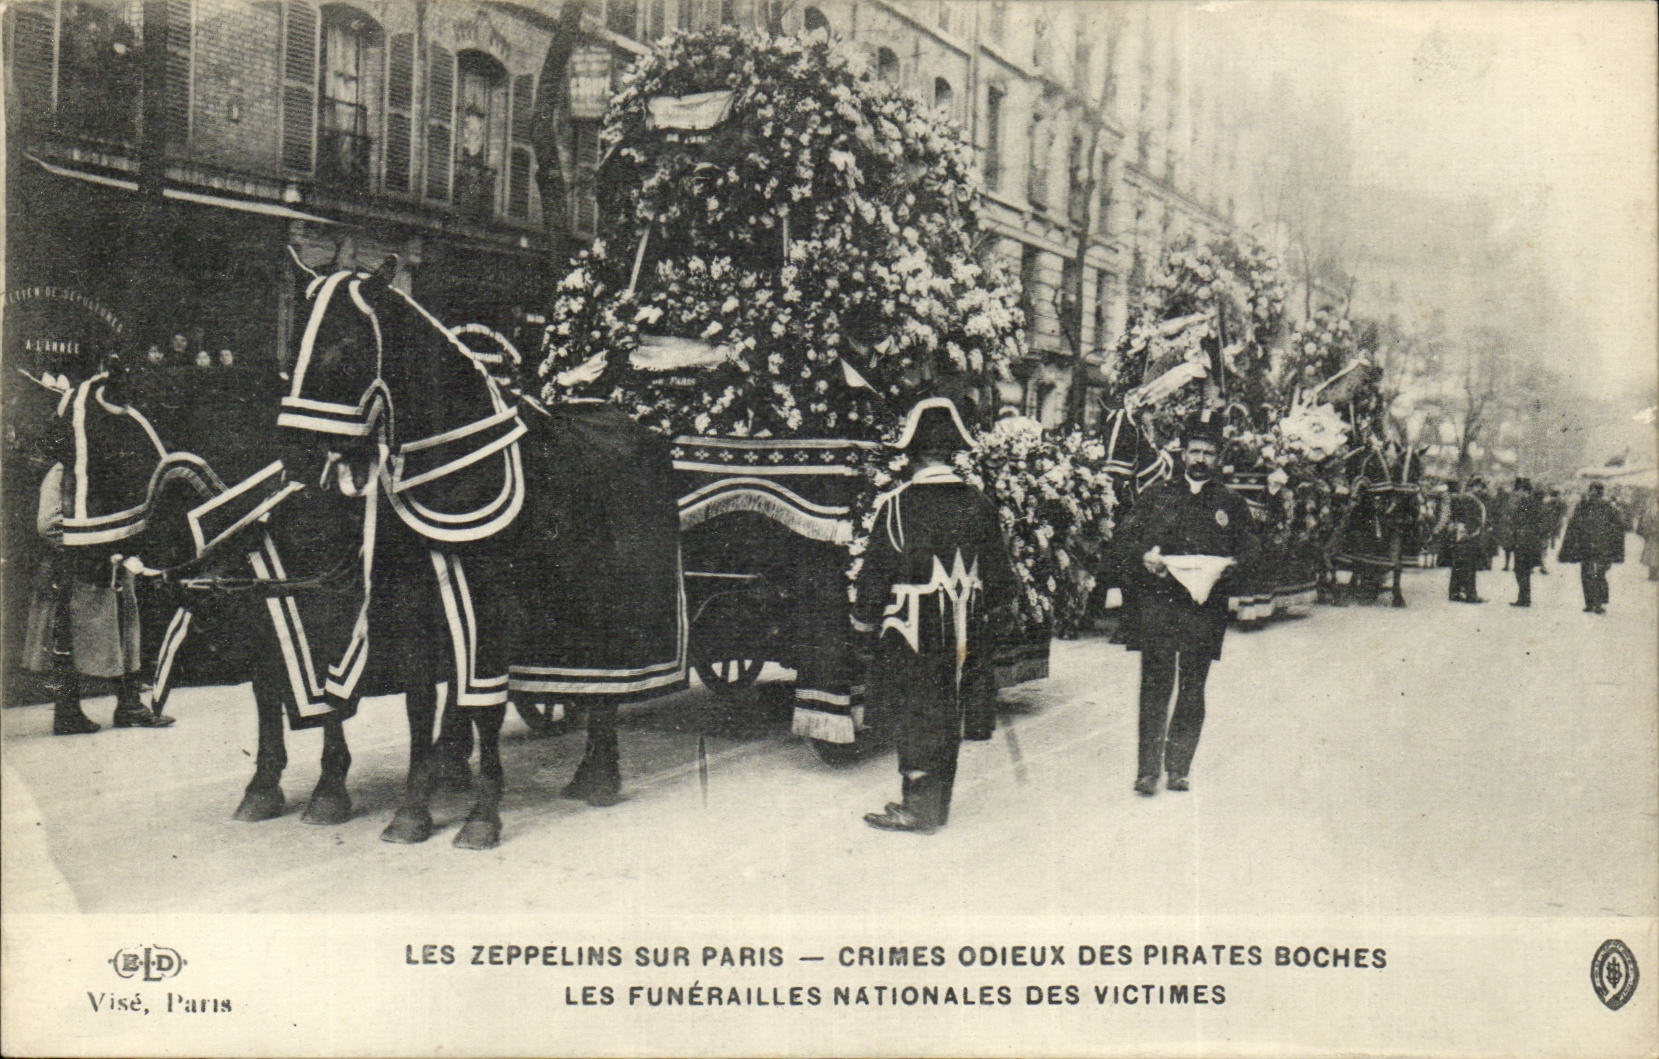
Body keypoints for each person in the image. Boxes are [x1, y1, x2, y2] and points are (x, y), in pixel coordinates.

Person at [855, 397, 1016, 834]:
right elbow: (1001, 574)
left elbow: (875, 573)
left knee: (916, 711)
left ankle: (917, 807)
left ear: (911, 455)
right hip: (967, 626)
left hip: (913, 627)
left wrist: (864, 619)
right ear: (951, 453)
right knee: (949, 708)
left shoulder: (897, 505)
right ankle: (936, 804)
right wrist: (995, 612)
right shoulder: (979, 503)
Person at [1110, 408, 1258, 796]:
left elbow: (1251, 552)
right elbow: (1125, 541)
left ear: (1218, 457)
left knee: (1193, 687)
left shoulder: (1231, 504)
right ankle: (1146, 770)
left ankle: (1178, 767)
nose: (1200, 460)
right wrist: (1145, 557)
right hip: (1159, 604)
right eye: (1194, 451)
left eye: (1208, 453)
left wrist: (1232, 567)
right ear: (1182, 453)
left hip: (1203, 609)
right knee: (1155, 685)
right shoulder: (1156, 496)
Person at [30, 454, 174, 734]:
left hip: (112, 567)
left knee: (126, 634)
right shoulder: (61, 473)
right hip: (76, 570)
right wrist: (87, 545)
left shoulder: (102, 469)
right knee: (66, 642)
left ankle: (129, 705)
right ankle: (68, 712)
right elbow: (47, 524)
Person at [1558, 481, 1626, 614]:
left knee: (1597, 574)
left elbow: (1618, 528)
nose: (1593, 495)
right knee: (1588, 574)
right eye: (1592, 492)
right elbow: (1573, 525)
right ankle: (1592, 603)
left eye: (1596, 492)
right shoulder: (1584, 506)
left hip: (1601, 546)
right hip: (1588, 545)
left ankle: (1598, 602)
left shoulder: (1607, 507)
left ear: (1600, 493)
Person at [1437, 479, 1488, 603]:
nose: (1480, 489)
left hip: (1462, 535)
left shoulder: (1465, 498)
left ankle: (1455, 592)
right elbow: (1470, 519)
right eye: (1478, 486)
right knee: (1469, 566)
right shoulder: (1470, 499)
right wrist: (1470, 533)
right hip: (1469, 536)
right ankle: (1471, 595)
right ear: (1472, 487)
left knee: (1458, 565)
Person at [1507, 478, 1547, 607]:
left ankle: (1524, 598)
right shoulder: (1536, 502)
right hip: (1531, 540)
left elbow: (1517, 519)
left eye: (1519, 491)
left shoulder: (1525, 502)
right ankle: (1524, 597)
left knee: (1520, 569)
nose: (1518, 494)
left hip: (1523, 539)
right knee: (1524, 569)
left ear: (1524, 491)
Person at [1638, 492, 1659, 582]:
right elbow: (1646, 523)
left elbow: (1646, 523)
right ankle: (1653, 574)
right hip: (1654, 536)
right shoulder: (1653, 512)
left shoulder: (1652, 511)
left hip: (1653, 536)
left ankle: (1653, 574)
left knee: (1653, 555)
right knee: (1653, 555)